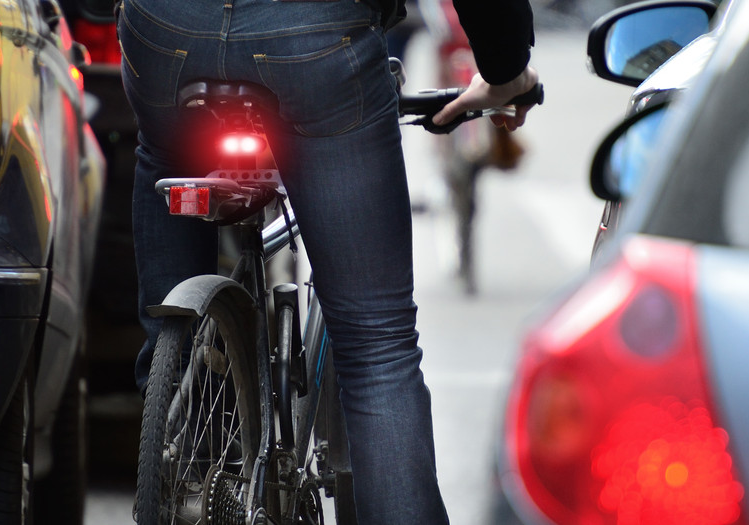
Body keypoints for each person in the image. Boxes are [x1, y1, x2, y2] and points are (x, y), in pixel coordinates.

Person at [117, 0, 537, 521]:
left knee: (165, 155)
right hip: (314, 35)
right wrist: (506, 71)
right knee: (375, 344)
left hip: (167, 28)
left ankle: (185, 446)